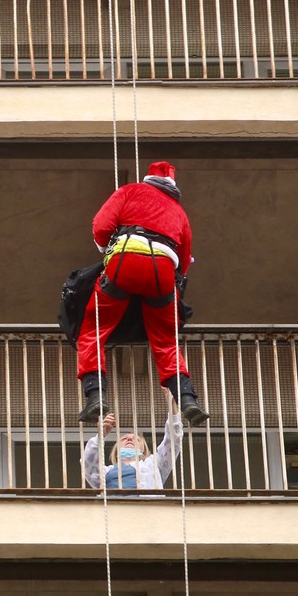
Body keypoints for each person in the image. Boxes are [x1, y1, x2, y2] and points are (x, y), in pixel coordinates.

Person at [75, 161, 208, 426]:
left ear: (148, 178)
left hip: (126, 262)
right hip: (163, 272)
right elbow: (183, 260)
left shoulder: (129, 191)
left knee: (93, 328)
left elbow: (101, 226)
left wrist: (104, 247)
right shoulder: (179, 211)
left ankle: (95, 396)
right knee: (166, 339)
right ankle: (187, 398)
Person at [81, 392, 185, 490]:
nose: (130, 439)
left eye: (137, 439)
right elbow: (87, 463)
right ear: (117, 451)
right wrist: (101, 435)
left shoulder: (153, 465)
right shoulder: (105, 472)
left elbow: (173, 441)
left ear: (143, 450)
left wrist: (172, 406)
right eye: (124, 439)